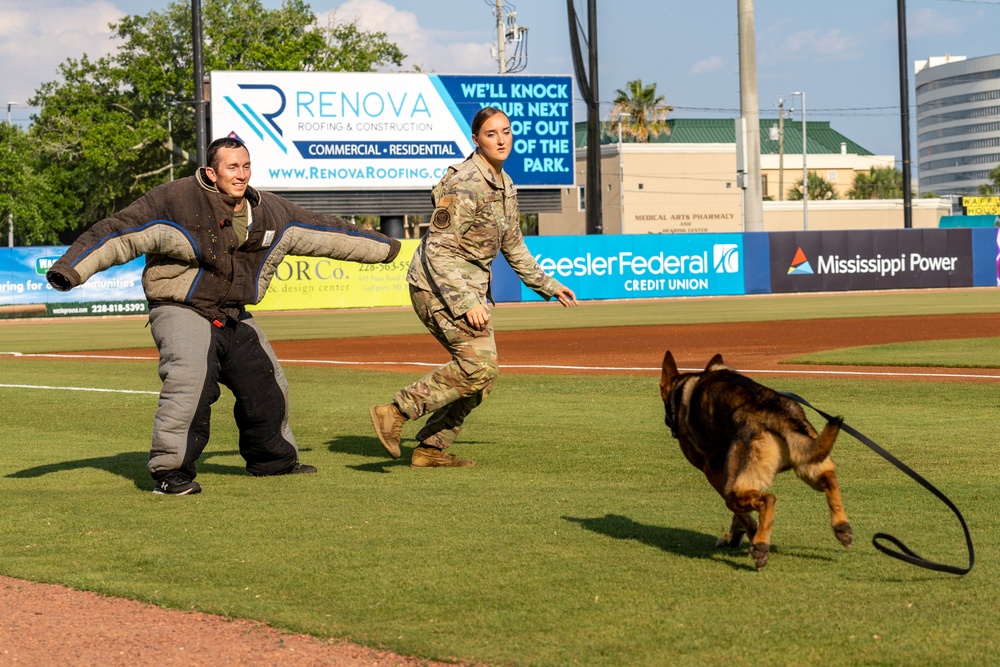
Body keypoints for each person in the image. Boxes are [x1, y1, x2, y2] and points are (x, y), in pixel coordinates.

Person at [47, 136, 401, 495]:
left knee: (267, 382)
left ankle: (273, 461)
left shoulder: (269, 211)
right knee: (190, 381)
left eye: (246, 166)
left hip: (232, 312)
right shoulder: (175, 201)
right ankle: (172, 473)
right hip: (181, 306)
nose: (242, 174)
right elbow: (118, 233)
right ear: (211, 172)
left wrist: (389, 249)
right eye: (233, 167)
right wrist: (70, 270)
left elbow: (327, 233)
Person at [369, 107, 578, 468]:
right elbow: (437, 249)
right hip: (436, 287)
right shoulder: (467, 183)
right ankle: (395, 411)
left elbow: (513, 246)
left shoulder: (505, 185)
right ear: (476, 140)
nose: (501, 139)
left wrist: (549, 285)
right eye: (491, 133)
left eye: (506, 132)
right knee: (479, 365)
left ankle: (431, 449)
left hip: (467, 289)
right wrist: (466, 302)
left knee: (482, 376)